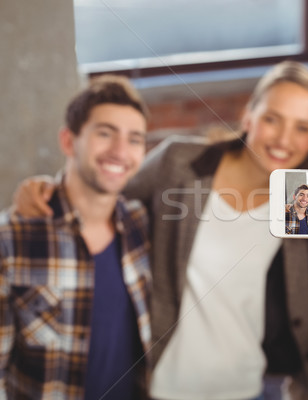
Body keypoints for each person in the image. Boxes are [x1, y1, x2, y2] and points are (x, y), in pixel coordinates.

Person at [10, 61, 308, 399]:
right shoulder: (180, 164)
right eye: (272, 119)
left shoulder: (303, 198)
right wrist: (46, 187)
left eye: (303, 127)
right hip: (165, 383)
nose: (284, 138)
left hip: (245, 383)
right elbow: (104, 192)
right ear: (249, 115)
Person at [0, 75, 152, 398]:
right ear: (69, 141)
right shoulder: (10, 238)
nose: (120, 151)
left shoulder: (141, 223)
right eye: (105, 133)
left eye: (135, 139)